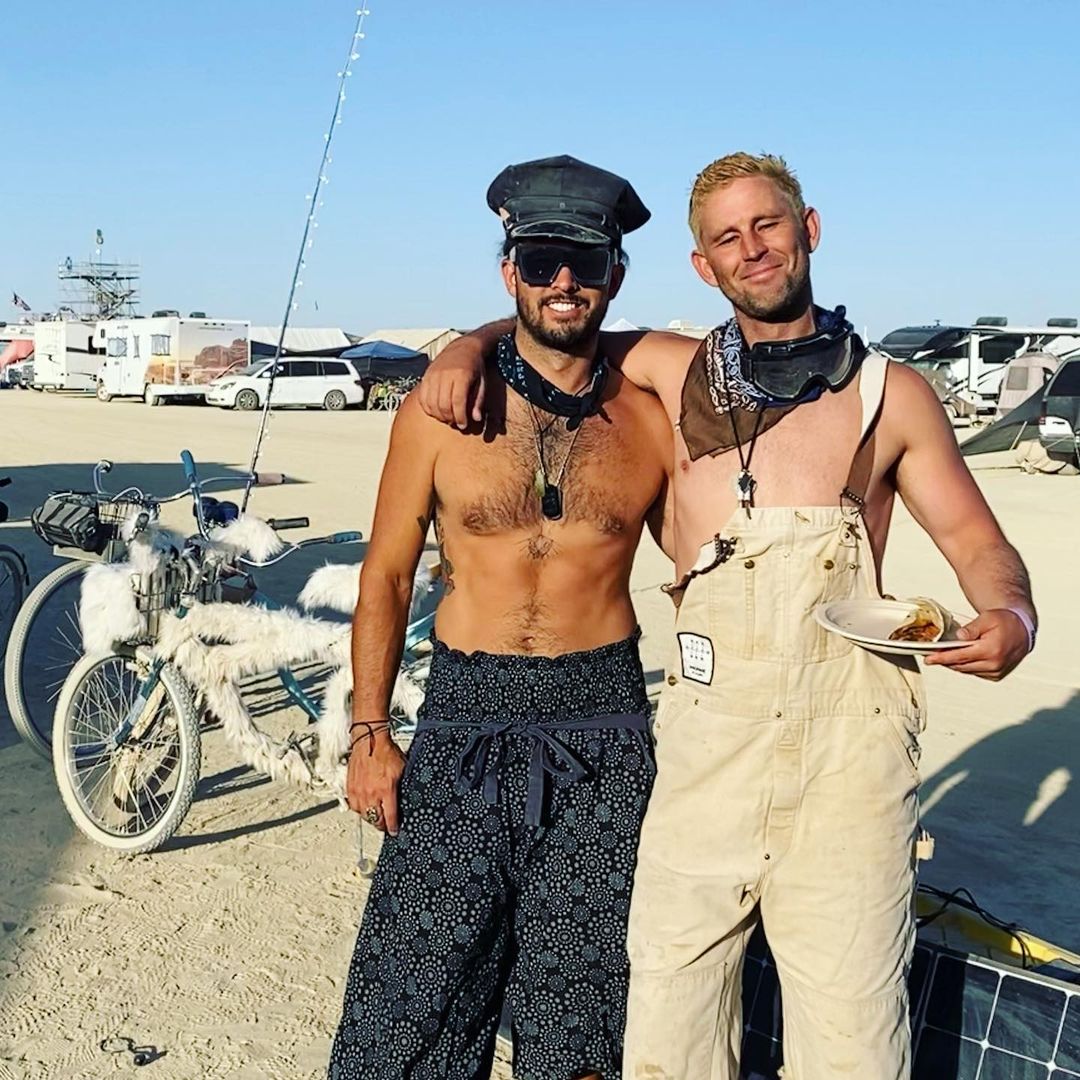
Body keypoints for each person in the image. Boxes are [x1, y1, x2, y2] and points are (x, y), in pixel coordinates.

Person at [416, 151, 1037, 1078]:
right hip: (708, 751)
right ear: (702, 266)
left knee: (854, 1036)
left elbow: (978, 542)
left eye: (768, 225)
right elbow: (553, 318)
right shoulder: (673, 370)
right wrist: (465, 347)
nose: (753, 249)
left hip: (849, 757)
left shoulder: (891, 396)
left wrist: (1011, 615)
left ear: (808, 229)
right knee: (671, 1020)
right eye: (727, 238)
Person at [328, 154, 672, 1080]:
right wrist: (370, 732)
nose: (564, 281)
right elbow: (387, 573)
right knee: (410, 1000)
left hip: (602, 724)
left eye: (585, 262)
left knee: (582, 1005)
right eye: (543, 259)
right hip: (464, 715)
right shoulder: (440, 413)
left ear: (615, 276)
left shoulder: (651, 420)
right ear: (509, 269)